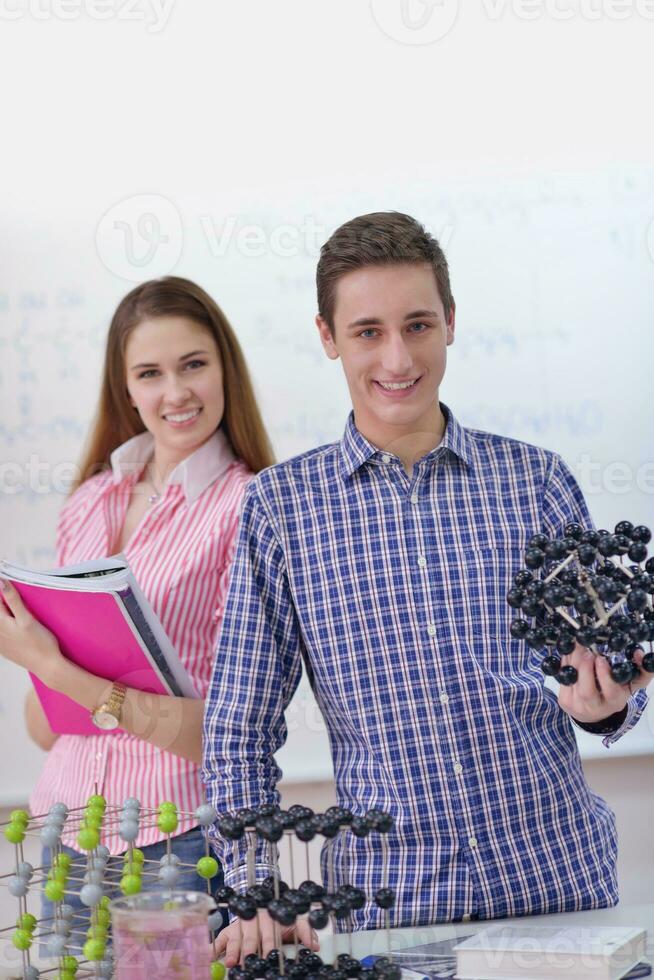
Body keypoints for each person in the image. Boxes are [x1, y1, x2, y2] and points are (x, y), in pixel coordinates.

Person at [202, 212, 651, 963]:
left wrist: (609, 704)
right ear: (328, 338)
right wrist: (250, 888)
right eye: (368, 332)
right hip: (394, 909)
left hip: (560, 886)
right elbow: (239, 731)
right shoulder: (281, 510)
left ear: (449, 322)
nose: (398, 357)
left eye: (417, 324)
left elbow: (601, 686)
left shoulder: (535, 481)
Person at [0, 275, 274, 903]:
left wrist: (47, 664)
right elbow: (49, 729)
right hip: (64, 829)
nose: (175, 392)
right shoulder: (89, 501)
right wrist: (37, 658)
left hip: (177, 834)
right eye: (149, 373)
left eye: (194, 365)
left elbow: (231, 732)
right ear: (125, 387)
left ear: (225, 370)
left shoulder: (250, 506)